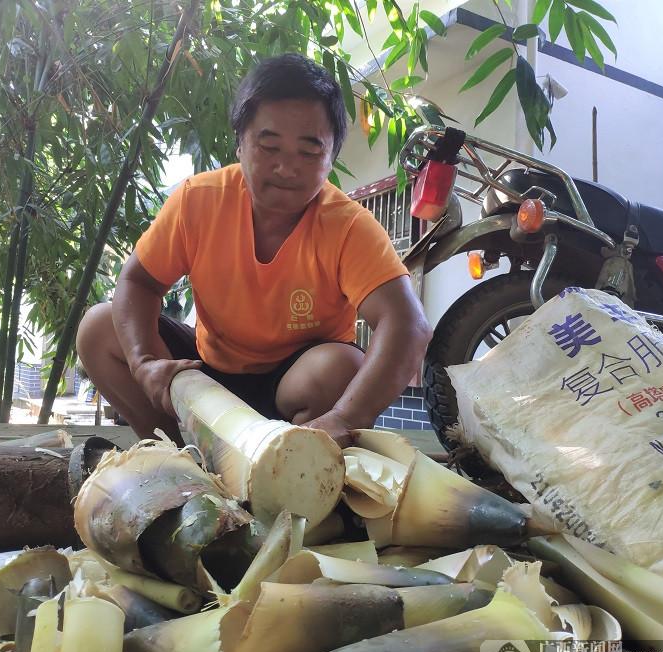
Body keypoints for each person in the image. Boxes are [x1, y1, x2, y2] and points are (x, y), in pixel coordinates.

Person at [76, 53, 432, 448]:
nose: (287, 168)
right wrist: (145, 363)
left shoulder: (347, 225)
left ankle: (298, 468)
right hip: (205, 374)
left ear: (330, 159)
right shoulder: (199, 201)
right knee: (98, 329)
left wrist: (345, 418)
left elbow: (408, 327)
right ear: (240, 144)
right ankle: (182, 454)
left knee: (342, 367)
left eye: (309, 151)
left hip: (295, 388)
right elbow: (138, 282)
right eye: (269, 145)